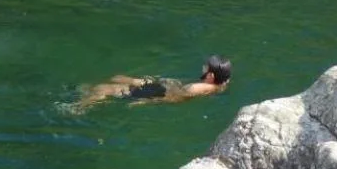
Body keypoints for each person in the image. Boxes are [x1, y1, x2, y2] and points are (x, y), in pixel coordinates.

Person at [75, 55, 231, 110]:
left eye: (206, 66)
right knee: (118, 78)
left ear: (210, 75)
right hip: (163, 88)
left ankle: (78, 107)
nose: (203, 66)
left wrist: (146, 101)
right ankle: (87, 93)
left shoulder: (200, 87)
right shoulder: (219, 85)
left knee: (104, 89)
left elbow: (177, 98)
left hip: (159, 92)